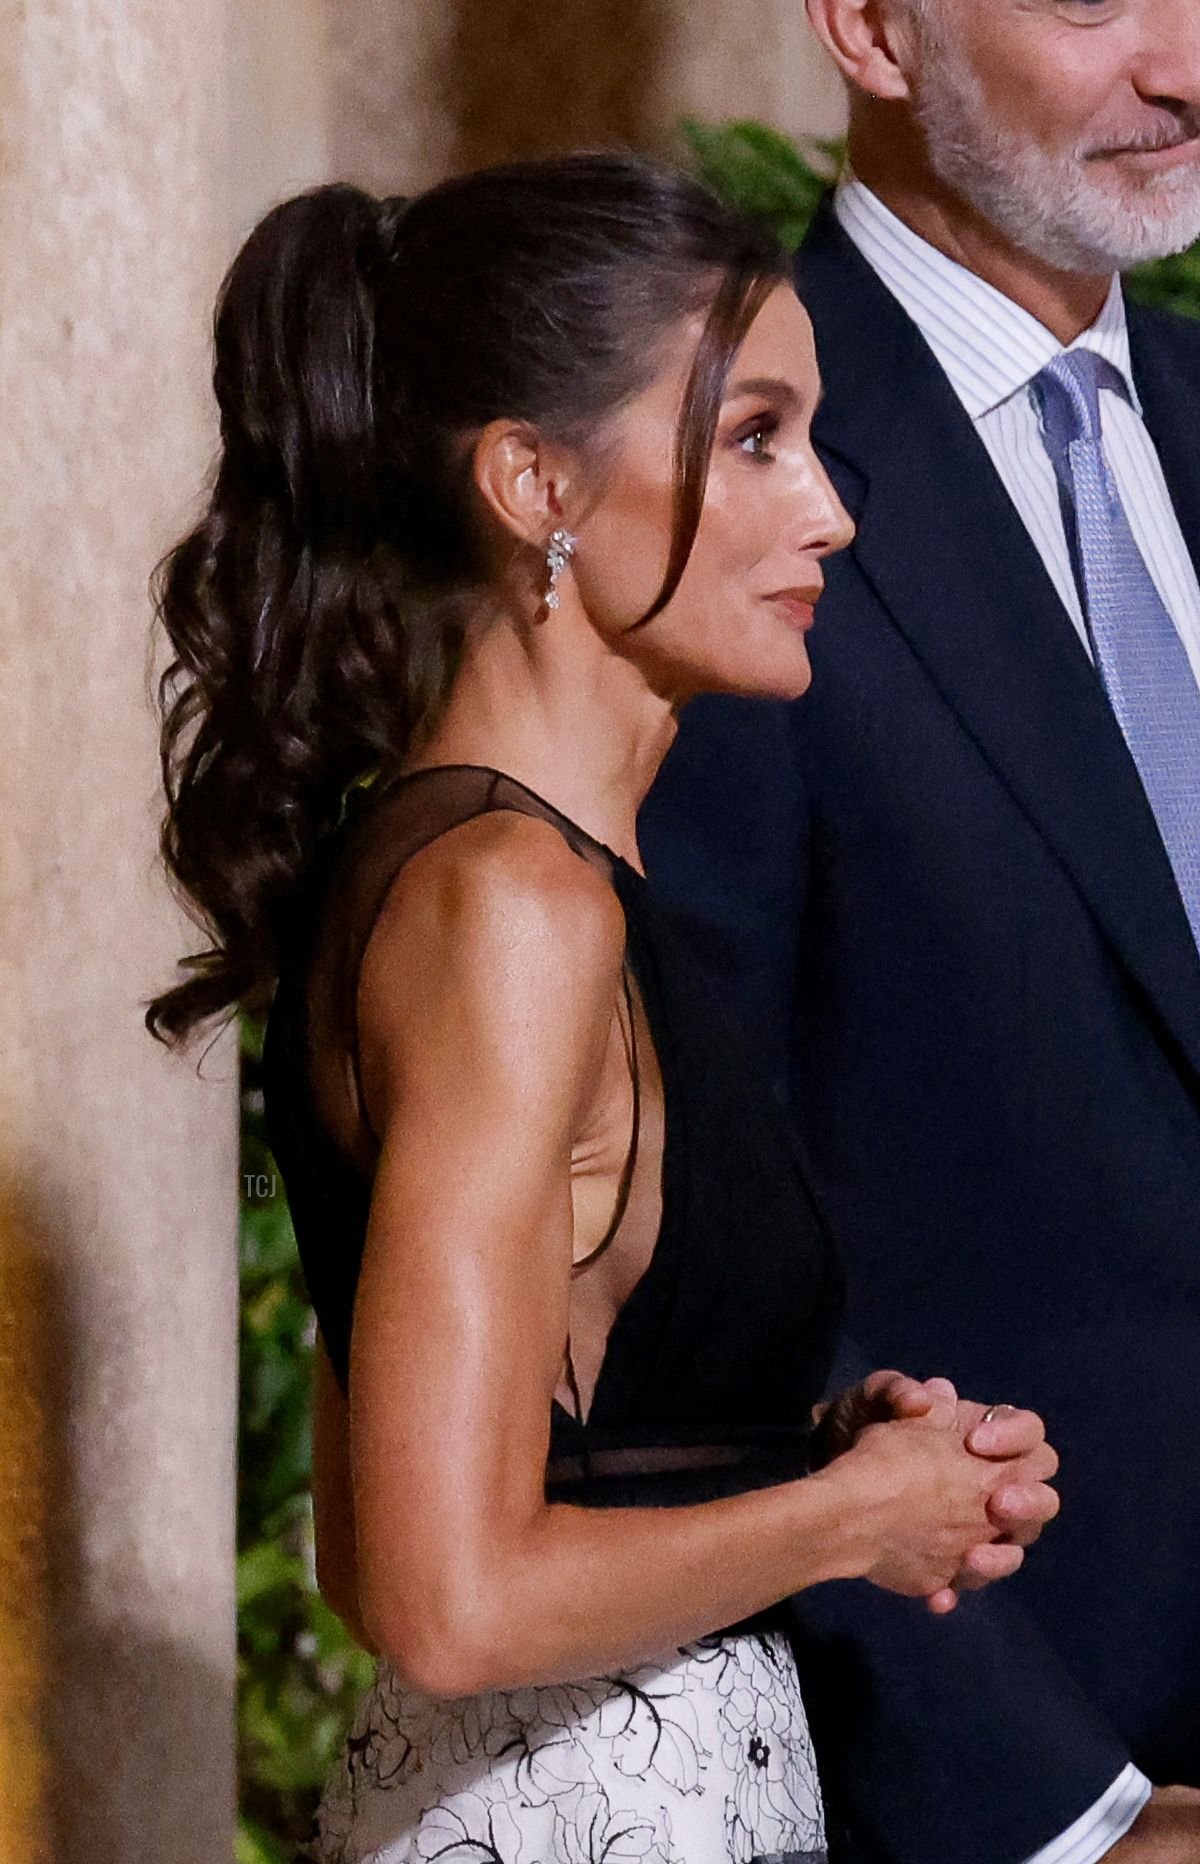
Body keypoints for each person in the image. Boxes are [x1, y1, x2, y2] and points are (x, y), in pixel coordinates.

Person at [144, 154, 1059, 1864]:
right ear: (532, 481)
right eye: (755, 435)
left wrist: (810, 1466)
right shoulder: (512, 906)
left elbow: (378, 1543)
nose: (830, 511)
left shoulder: (491, 881)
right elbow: (446, 1602)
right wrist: (848, 1515)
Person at [639, 2, 1200, 1861]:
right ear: (871, 25)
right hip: (1019, 1772)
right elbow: (687, 1242)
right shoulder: (692, 493)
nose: (1189, 65)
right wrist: (1055, 1812)